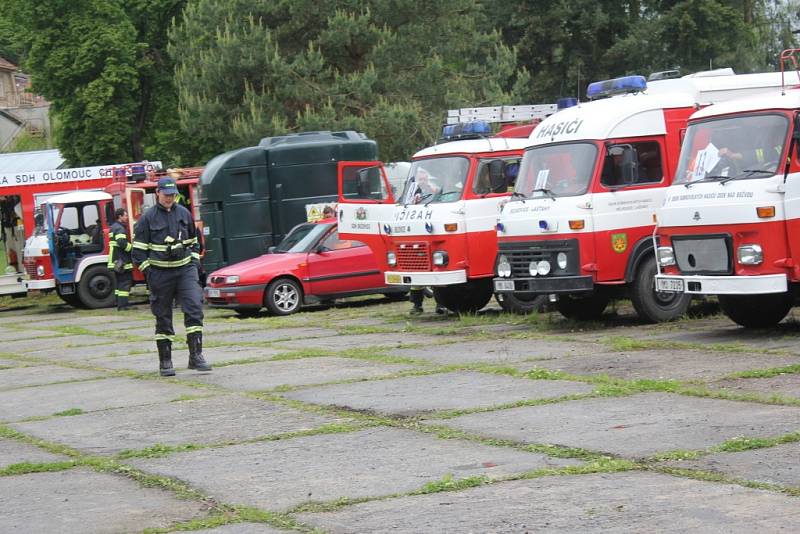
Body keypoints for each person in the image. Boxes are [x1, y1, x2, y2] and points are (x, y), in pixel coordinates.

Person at [132, 177, 211, 377]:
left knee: (194, 308)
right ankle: (165, 361)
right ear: (157, 193)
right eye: (166, 194)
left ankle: (196, 356)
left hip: (185, 271)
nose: (169, 198)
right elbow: (138, 252)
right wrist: (149, 272)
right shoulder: (147, 218)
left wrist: (193, 264)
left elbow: (195, 242)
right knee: (163, 316)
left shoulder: (184, 213)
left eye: (172, 194)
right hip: (160, 274)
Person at [108, 208, 133, 310]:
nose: (127, 217)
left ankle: (119, 304)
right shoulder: (120, 228)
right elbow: (121, 242)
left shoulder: (113, 227)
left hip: (115, 259)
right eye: (125, 215)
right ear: (120, 216)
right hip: (121, 259)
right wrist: (132, 248)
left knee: (119, 283)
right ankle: (123, 306)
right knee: (125, 282)